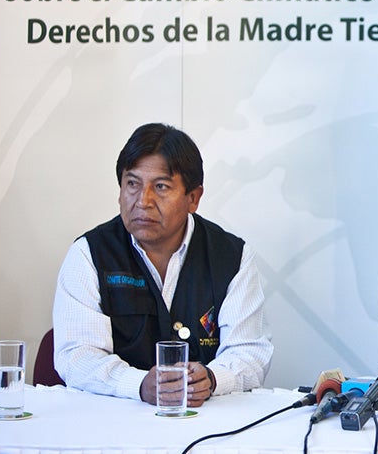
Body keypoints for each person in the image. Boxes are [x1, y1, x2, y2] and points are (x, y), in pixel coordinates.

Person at [52, 123, 273, 406]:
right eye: (132, 184)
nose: (143, 201)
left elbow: (250, 352)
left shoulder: (232, 257)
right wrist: (138, 384)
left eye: (161, 187)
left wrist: (213, 378)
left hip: (205, 422)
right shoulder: (89, 254)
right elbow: (76, 355)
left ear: (193, 198)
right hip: (114, 418)